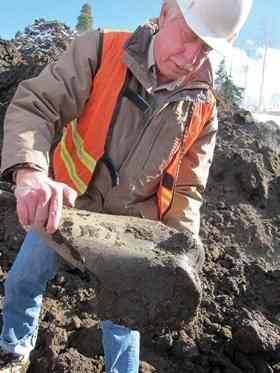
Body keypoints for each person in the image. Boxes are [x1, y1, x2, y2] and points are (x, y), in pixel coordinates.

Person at [0, 0, 252, 372]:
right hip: (68, 202)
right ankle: (15, 348)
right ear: (166, 13)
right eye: (190, 36)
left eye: (207, 47)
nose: (192, 57)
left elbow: (187, 188)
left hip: (130, 228)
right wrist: (30, 172)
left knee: (124, 321)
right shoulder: (101, 51)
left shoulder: (203, 108)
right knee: (23, 279)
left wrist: (178, 250)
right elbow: (37, 105)